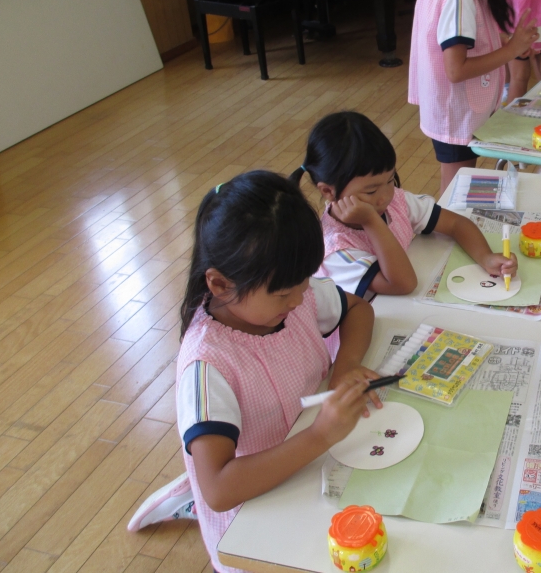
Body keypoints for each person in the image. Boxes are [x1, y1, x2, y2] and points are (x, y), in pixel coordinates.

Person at [126, 171, 379, 571]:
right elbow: (220, 489)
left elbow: (359, 309)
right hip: (252, 511)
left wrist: (345, 367)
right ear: (220, 284)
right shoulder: (208, 364)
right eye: (284, 293)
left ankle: (190, 476)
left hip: (308, 461)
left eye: (303, 284)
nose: (300, 299)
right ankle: (187, 487)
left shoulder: (290, 293)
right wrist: (319, 435)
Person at [291, 111, 517, 300]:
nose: (385, 196)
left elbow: (456, 223)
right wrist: (371, 222)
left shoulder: (395, 201)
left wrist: (486, 257)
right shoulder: (336, 251)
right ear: (328, 191)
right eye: (370, 191)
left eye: (390, 180)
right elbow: (402, 284)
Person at [408, 0, 539, 193]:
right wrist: (510, 51)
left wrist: (507, 43)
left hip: (448, 108)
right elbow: (456, 69)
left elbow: (464, 39)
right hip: (455, 113)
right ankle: (448, 236)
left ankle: (459, 227)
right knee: (454, 192)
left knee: (459, 187)